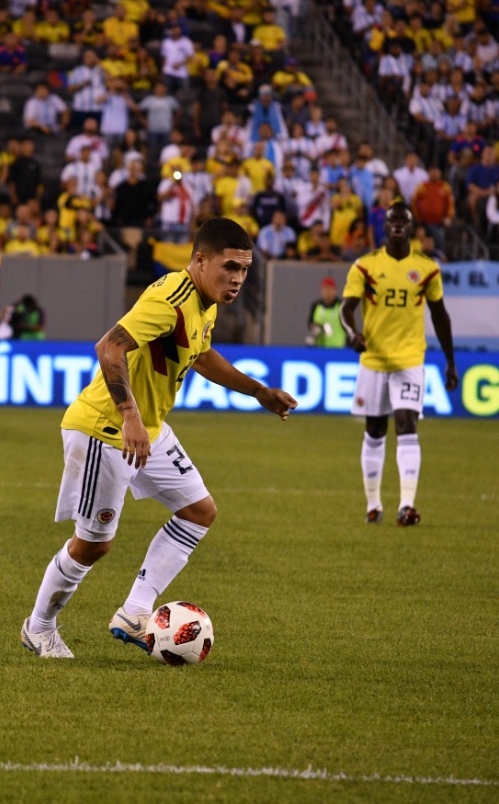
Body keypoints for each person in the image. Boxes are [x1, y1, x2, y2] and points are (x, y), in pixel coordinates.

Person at [20, 218, 298, 658]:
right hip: (106, 429)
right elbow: (109, 347)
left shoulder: (207, 302)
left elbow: (201, 354)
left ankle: (135, 611)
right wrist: (129, 414)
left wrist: (258, 391)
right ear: (200, 261)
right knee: (94, 544)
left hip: (148, 431)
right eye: (230, 267)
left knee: (199, 511)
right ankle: (38, 627)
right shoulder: (170, 298)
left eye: (245, 270)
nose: (238, 279)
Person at [340, 201, 457, 528]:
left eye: (404, 221)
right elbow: (346, 308)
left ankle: (407, 505)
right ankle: (373, 504)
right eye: (393, 220)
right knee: (375, 431)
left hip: (409, 360)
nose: (398, 226)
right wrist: (352, 333)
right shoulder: (365, 266)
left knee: (407, 424)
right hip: (374, 360)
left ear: (412, 227)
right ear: (385, 226)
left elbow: (440, 315)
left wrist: (451, 362)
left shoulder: (428, 268)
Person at [306, 277, 346, 347]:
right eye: (325, 289)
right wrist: (317, 328)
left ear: (334, 290)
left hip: (338, 347)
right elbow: (310, 323)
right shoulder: (316, 305)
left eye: (330, 289)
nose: (327, 292)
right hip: (320, 347)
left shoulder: (341, 306)